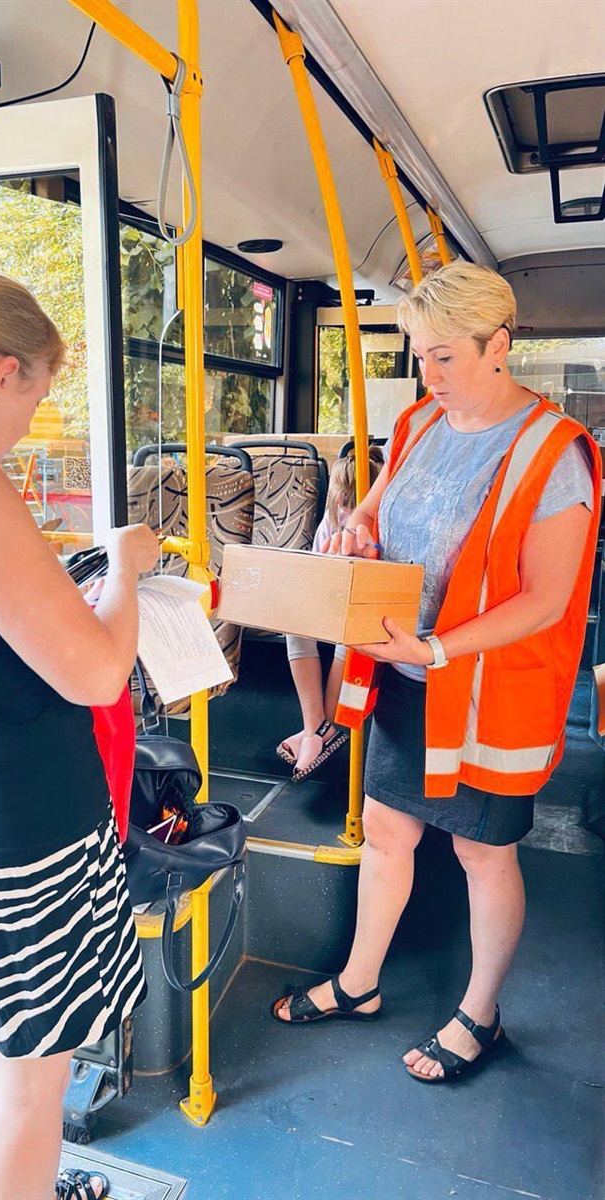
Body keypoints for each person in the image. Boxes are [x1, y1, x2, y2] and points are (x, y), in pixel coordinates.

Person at [272, 262, 601, 1084]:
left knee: (481, 855)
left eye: (445, 356)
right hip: (404, 676)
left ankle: (479, 1014)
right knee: (388, 834)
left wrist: (437, 649)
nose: (428, 374)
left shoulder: (553, 453)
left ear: (499, 345)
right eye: (419, 355)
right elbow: (374, 509)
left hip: (486, 688)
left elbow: (547, 600)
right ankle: (359, 983)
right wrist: (352, 532)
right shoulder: (419, 421)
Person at [0, 275, 162, 1199]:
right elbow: (98, 672)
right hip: (30, 832)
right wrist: (126, 571)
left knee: (0, 1038)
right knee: (39, 1079)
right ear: (2, 374)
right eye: (34, 398)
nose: (30, 424)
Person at [276, 448, 383, 780]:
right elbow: (317, 571)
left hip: (368, 609)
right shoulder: (331, 521)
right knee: (293, 620)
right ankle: (315, 726)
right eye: (343, 503)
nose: (348, 511)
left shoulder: (380, 525)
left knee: (347, 628)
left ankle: (321, 730)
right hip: (334, 599)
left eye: (355, 504)